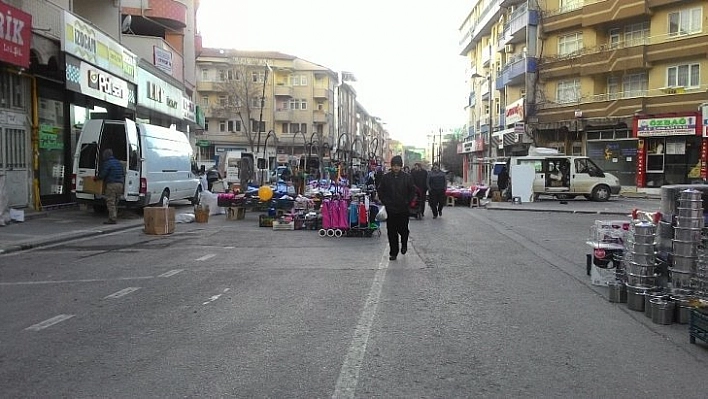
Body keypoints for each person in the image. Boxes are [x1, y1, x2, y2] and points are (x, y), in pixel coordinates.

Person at [377, 155, 416, 260]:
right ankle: (393, 252)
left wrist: (407, 201)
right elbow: (381, 191)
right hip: (391, 209)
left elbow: (412, 191)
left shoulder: (407, 177)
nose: (396, 168)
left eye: (398, 166)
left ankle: (404, 244)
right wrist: (385, 201)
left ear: (401, 166)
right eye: (394, 165)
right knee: (391, 231)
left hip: (403, 208)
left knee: (403, 230)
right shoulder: (386, 177)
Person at [95, 148, 125, 224]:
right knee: (115, 202)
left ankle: (112, 219)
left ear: (106, 155)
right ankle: (114, 216)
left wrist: (96, 178)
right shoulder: (118, 162)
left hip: (112, 184)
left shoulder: (107, 163)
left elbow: (103, 174)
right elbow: (123, 173)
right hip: (120, 184)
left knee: (110, 201)